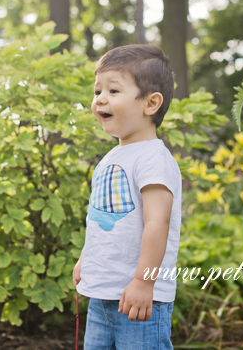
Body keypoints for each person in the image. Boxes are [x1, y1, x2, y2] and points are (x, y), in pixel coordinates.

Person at [72, 44, 182, 350]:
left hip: (140, 300)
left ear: (150, 103)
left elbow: (157, 222)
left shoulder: (153, 159)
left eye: (113, 90)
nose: (100, 99)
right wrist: (87, 259)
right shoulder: (111, 158)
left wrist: (144, 282)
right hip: (103, 296)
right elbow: (101, 220)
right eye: (97, 91)